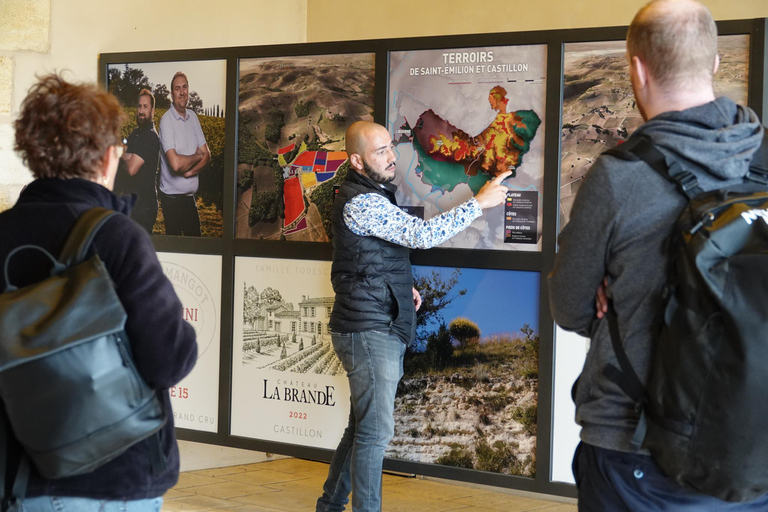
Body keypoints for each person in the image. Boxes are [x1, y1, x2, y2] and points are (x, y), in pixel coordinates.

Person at [547, 1, 766, 510]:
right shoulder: (764, 156)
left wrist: (612, 289)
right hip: (752, 441)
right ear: (713, 64)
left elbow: (570, 305)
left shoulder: (619, 176)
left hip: (636, 445)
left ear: (637, 69)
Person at [1, 74, 197, 510]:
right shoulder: (119, 237)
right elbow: (170, 358)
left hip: (19, 476)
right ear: (110, 156)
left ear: (34, 156)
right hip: (118, 475)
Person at [316, 121, 511, 512]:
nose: (391, 157)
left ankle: (330, 505)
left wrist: (399, 286)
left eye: (391, 147)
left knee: (362, 429)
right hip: (369, 329)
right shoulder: (363, 201)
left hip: (371, 322)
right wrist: (479, 203)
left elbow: (366, 258)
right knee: (375, 433)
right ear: (356, 160)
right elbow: (420, 236)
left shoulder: (369, 194)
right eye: (380, 152)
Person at [157, 71, 210, 236]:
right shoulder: (167, 121)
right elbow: (175, 164)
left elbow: (207, 155)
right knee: (176, 250)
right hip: (171, 200)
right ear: (172, 94)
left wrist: (190, 172)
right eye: (177, 88)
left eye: (184, 87)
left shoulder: (193, 117)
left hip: (189, 198)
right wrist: (196, 156)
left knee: (196, 245)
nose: (182, 92)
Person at [114, 88, 160, 234]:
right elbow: (122, 149)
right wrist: (125, 155)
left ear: (152, 110)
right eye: (139, 106)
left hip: (144, 207)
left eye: (145, 107)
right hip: (132, 204)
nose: (141, 110)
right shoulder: (136, 133)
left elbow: (131, 169)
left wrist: (125, 156)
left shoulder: (151, 137)